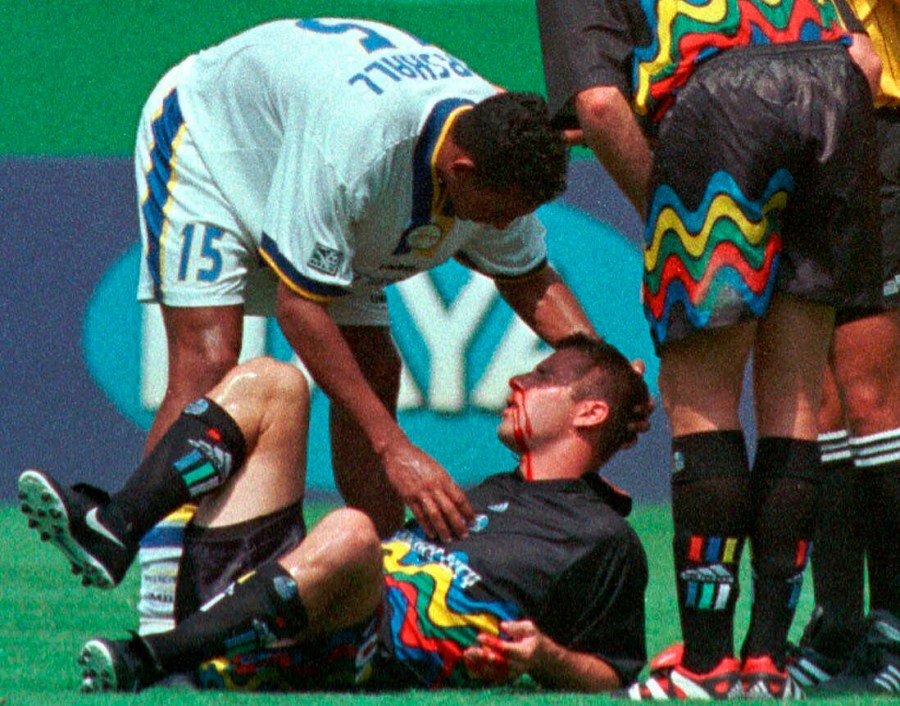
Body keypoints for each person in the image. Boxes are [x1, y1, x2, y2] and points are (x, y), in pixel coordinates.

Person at [133, 17, 600, 542]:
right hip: (216, 138)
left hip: (314, 143)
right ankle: (152, 565)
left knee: (373, 365)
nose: (500, 226)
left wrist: (604, 374)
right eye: (498, 213)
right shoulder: (359, 152)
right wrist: (393, 447)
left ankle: (385, 584)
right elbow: (299, 309)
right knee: (207, 361)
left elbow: (529, 278)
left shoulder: (498, 143)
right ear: (462, 172)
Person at [536, 0, 883, 699]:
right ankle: (768, 664)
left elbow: (601, 105)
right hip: (838, 97)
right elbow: (866, 58)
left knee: (703, 400)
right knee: (795, 398)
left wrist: (667, 212)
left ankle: (705, 664)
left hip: (723, 108)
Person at [20, 335, 651, 693]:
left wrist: (545, 657)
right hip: (278, 609)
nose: (517, 380)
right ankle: (114, 528)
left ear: (588, 413)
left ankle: (152, 658)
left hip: (358, 650)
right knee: (273, 381)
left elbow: (615, 674)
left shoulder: (604, 538)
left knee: (353, 531)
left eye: (541, 376)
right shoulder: (491, 488)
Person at [787, 0, 900, 695]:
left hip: (881, 128)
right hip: (790, 126)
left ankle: (893, 620)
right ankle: (839, 619)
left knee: (872, 401)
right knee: (818, 403)